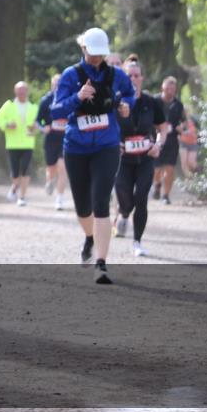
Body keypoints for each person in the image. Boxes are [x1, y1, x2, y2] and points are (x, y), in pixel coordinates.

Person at [51, 28, 134, 284]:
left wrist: (124, 106)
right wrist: (77, 98)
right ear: (83, 49)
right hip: (76, 147)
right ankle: (89, 238)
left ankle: (101, 263)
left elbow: (130, 94)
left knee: (100, 202)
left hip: (107, 146)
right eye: (93, 53)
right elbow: (55, 111)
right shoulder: (70, 76)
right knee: (83, 207)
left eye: (101, 54)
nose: (97, 59)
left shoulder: (116, 75)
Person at [114, 56, 169, 256]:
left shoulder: (150, 102)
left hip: (145, 158)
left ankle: (137, 241)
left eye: (137, 75)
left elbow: (163, 128)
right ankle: (123, 212)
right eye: (130, 75)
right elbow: (108, 126)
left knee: (141, 198)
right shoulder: (117, 101)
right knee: (125, 196)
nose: (134, 79)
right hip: (122, 160)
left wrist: (159, 144)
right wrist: (114, 143)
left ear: (142, 78)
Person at [0, 81, 38, 207]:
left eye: (24, 89)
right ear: (15, 91)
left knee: (25, 170)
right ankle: (15, 186)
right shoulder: (8, 105)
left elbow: (41, 120)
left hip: (28, 143)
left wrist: (36, 126)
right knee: (14, 172)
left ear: (27, 91)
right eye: (19, 90)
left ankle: (22, 197)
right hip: (12, 144)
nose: (21, 92)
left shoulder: (34, 107)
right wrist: (7, 125)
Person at [36, 74, 69, 210]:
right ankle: (49, 180)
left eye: (60, 84)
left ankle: (59, 199)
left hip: (65, 138)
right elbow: (37, 120)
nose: (57, 86)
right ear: (52, 85)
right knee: (51, 168)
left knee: (63, 167)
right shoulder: (46, 100)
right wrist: (44, 128)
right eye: (55, 83)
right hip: (51, 139)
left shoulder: (69, 99)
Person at [152, 76, 184, 204]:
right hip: (157, 140)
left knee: (170, 169)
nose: (170, 90)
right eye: (168, 87)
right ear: (162, 87)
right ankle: (157, 185)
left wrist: (181, 127)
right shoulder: (154, 101)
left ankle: (166, 195)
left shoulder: (178, 105)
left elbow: (183, 121)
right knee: (157, 169)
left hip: (171, 140)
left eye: (173, 88)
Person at [178, 109, 200, 178]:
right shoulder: (179, 121)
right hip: (183, 143)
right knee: (184, 163)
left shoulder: (193, 120)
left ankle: (199, 175)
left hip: (193, 143)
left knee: (191, 163)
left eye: (186, 112)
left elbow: (197, 130)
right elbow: (178, 131)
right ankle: (189, 180)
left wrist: (194, 133)